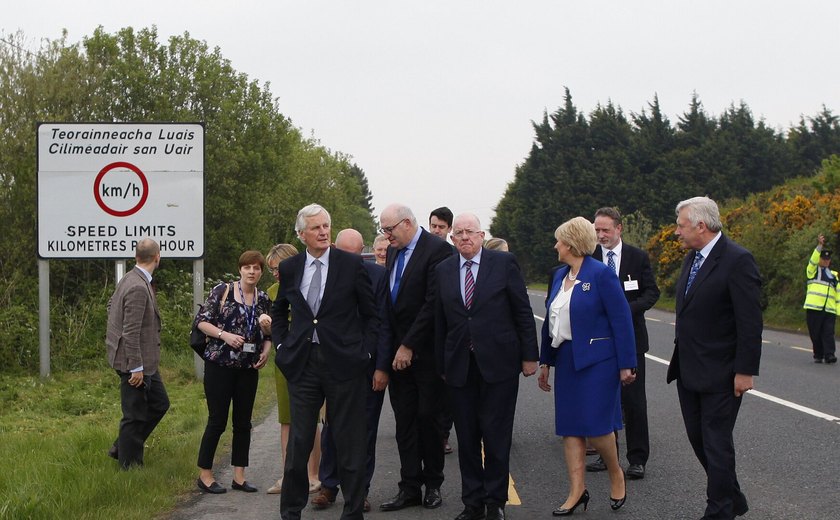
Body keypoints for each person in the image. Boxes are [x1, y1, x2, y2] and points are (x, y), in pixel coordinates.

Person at [271, 204, 379, 520]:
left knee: (349, 442)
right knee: (299, 444)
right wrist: (281, 346)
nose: (322, 232)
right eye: (316, 227)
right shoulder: (291, 268)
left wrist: (366, 353)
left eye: (326, 226)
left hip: (345, 365)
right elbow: (279, 311)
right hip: (303, 365)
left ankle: (353, 511)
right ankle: (290, 512)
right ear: (301, 234)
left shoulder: (350, 264)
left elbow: (372, 315)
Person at [434, 213, 538, 520]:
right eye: (459, 233)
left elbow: (522, 310)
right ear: (452, 239)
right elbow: (440, 321)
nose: (465, 237)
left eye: (470, 232)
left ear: (482, 236)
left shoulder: (503, 264)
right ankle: (472, 503)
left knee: (496, 436)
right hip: (459, 366)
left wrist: (529, 355)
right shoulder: (444, 270)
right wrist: (442, 362)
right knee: (466, 439)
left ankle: (496, 502)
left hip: (499, 365)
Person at [667, 196, 762, 519]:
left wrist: (745, 370)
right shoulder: (692, 259)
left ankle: (719, 509)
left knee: (717, 443)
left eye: (680, 225)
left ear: (701, 226)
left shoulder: (738, 260)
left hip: (722, 372)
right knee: (699, 440)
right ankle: (732, 497)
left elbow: (750, 321)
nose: (676, 232)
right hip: (689, 369)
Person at [537, 217, 637, 516]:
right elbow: (550, 324)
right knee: (570, 429)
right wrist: (546, 361)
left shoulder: (602, 275)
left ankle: (615, 471)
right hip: (567, 358)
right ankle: (576, 491)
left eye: (559, 240)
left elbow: (622, 320)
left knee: (596, 427)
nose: (555, 245)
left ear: (571, 243)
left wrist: (627, 363)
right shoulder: (558, 275)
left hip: (598, 362)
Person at [378, 203, 453, 512]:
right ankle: (409, 485)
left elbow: (433, 303)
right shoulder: (395, 252)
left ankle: (433, 484)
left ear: (407, 224)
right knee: (405, 422)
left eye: (389, 229)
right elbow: (392, 301)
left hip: (426, 354)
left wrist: (408, 345)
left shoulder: (437, 251)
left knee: (429, 420)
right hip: (398, 356)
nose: (386, 236)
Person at [312, 229, 389, 513]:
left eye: (354, 254)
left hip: (367, 368)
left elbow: (382, 323)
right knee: (333, 427)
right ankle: (329, 485)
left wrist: (381, 366)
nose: (349, 259)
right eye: (343, 252)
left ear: (362, 253)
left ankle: (360, 491)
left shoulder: (377, 276)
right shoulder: (321, 273)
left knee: (364, 431)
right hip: (333, 366)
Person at [587, 208, 660, 480]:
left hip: (632, 339)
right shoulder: (590, 258)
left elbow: (652, 292)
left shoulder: (637, 257)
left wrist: (625, 310)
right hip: (599, 342)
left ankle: (637, 459)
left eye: (606, 230)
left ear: (619, 229)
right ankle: (609, 457)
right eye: (597, 230)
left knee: (634, 402)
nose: (601, 235)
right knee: (605, 400)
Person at [194, 250, 273, 494]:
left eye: (257, 268)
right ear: (240, 269)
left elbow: (270, 334)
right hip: (220, 365)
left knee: (243, 423)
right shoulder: (223, 291)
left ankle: (239, 476)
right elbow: (201, 322)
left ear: (261, 272)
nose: (252, 272)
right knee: (217, 421)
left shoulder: (262, 299)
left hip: (248, 368)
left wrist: (267, 349)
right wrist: (224, 335)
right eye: (247, 267)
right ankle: (205, 475)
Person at [259, 244, 323, 495]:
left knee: (310, 418)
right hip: (286, 360)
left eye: (278, 268)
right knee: (286, 420)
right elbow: (274, 330)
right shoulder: (272, 291)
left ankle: (313, 474)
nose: (275, 273)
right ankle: (289, 475)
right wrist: (267, 327)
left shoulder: (311, 285)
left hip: (311, 358)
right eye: (272, 270)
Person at [106, 238, 169, 469]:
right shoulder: (138, 287)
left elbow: (111, 306)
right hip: (133, 362)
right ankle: (129, 466)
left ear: (136, 257)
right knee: (133, 415)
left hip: (145, 360)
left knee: (159, 403)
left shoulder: (130, 278)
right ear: (157, 257)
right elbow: (130, 332)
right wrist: (136, 367)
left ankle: (122, 446)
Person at [428, 206, 456, 455]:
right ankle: (430, 431)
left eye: (441, 227)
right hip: (427, 329)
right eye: (433, 226)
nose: (437, 231)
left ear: (449, 230)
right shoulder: (421, 252)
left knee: (446, 388)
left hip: (448, 329)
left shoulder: (452, 255)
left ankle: (443, 434)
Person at [803, 234, 838, 364]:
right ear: (820, 259)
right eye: (823, 259)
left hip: (829, 310)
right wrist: (819, 246)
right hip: (814, 308)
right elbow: (812, 260)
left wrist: (837, 310)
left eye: (828, 259)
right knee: (815, 333)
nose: (826, 261)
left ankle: (829, 355)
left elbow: (838, 294)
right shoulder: (812, 271)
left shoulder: (834, 275)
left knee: (828, 333)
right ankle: (818, 354)